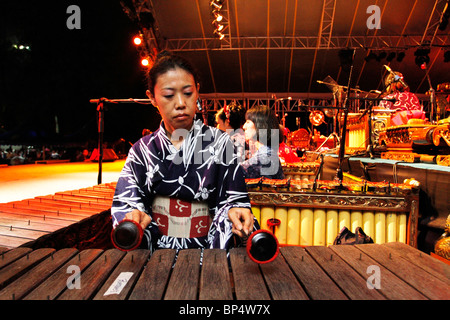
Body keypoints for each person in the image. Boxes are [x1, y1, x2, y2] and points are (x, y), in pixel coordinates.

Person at [111, 51, 256, 253]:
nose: (180, 103)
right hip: (155, 257)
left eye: (187, 93)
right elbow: (127, 201)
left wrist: (237, 212)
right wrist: (133, 215)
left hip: (210, 253)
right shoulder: (141, 151)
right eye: (169, 95)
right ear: (152, 97)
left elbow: (234, 198)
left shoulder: (221, 143)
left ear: (197, 91)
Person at [241, 105, 284, 179]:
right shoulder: (267, 152)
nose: (244, 126)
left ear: (260, 125)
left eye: (248, 122)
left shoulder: (265, 156)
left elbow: (237, 171)